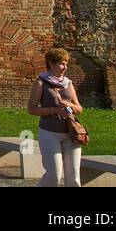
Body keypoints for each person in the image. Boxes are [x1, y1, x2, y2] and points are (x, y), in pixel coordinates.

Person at [29, 47, 85, 187]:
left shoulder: (68, 83)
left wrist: (70, 105)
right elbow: (31, 109)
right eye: (61, 63)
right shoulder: (41, 82)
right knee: (54, 175)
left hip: (71, 132)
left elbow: (79, 108)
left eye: (66, 63)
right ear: (51, 63)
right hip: (49, 133)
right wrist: (54, 110)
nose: (65, 67)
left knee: (74, 177)